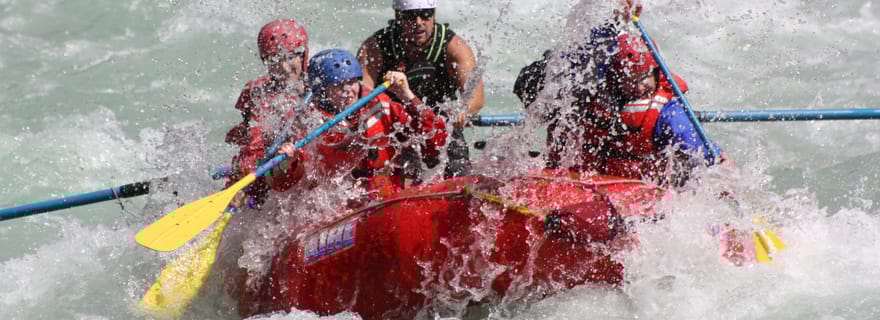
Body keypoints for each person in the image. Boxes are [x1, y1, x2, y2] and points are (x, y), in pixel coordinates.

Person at [254, 49, 448, 198]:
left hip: (387, 193)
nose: (348, 91)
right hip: (342, 204)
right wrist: (289, 162)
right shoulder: (309, 122)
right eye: (338, 86)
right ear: (322, 91)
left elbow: (436, 141)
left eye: (352, 82)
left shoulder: (381, 105)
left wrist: (407, 96)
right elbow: (281, 185)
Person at [357, 0, 484, 177]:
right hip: (394, 126)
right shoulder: (375, 47)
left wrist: (462, 111)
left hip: (440, 123)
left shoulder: (454, 47)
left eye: (425, 14)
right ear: (398, 17)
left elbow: (476, 99)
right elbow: (361, 97)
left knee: (455, 161)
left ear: (434, 15)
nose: (418, 22)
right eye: (410, 16)